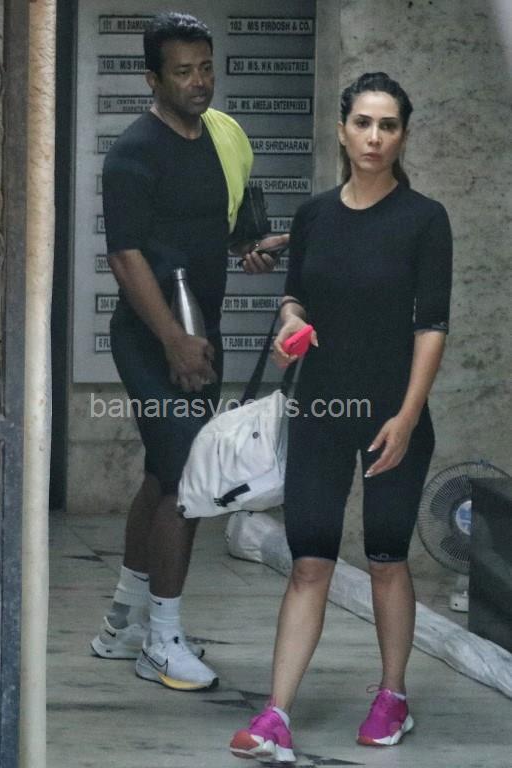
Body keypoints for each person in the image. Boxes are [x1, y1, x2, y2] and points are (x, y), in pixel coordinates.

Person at [230, 72, 452, 761]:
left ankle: (393, 696)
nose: (374, 137)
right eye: (362, 122)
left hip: (392, 415)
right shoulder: (315, 215)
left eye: (388, 125)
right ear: (342, 129)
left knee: (386, 559)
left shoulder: (425, 220)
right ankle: (276, 714)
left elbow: (431, 326)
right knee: (309, 563)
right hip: (321, 408)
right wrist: (289, 324)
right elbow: (295, 295)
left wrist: (408, 417)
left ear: (403, 136)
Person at [91, 12, 285, 691]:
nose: (199, 82)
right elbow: (125, 257)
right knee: (186, 481)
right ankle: (162, 640)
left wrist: (252, 250)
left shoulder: (225, 135)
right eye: (182, 72)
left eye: (205, 68)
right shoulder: (132, 155)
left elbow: (230, 228)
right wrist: (172, 342)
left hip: (201, 333)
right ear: (153, 78)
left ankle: (124, 622)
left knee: (162, 473)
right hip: (151, 339)